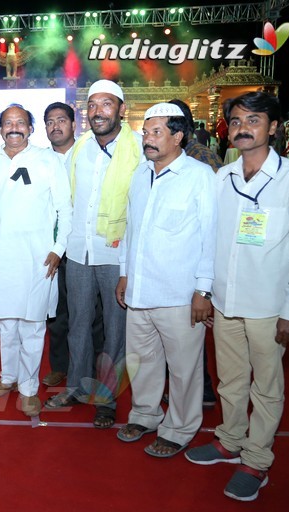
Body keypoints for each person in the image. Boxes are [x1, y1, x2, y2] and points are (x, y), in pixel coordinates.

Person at [185, 91, 289, 501]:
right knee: (230, 380)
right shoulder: (221, 179)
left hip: (270, 306)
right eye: (238, 121)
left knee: (267, 387)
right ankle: (229, 440)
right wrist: (204, 290)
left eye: (254, 121)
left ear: (274, 128)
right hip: (225, 302)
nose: (244, 128)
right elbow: (208, 241)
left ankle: (257, 460)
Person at [114, 102, 217, 458]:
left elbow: (211, 236)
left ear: (178, 136)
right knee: (140, 361)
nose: (148, 139)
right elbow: (131, 230)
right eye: (146, 132)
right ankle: (145, 414)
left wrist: (203, 290)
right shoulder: (141, 175)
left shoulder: (200, 177)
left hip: (180, 293)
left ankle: (180, 427)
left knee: (184, 368)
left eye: (156, 132)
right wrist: (125, 273)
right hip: (140, 290)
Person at [45, 79, 144, 431]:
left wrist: (130, 265)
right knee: (78, 324)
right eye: (92, 104)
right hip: (78, 250)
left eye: (106, 104)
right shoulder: (82, 148)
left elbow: (140, 209)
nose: (98, 111)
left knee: (115, 332)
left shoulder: (138, 151)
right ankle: (75, 386)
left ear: (121, 109)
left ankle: (106, 398)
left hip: (115, 252)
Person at [0, 104, 72, 417]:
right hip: (3, 258)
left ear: (31, 129)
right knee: (6, 323)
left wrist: (58, 249)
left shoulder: (48, 159)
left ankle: (29, 388)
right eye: (8, 123)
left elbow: (64, 208)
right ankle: (9, 378)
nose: (14, 128)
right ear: (0, 128)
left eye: (21, 122)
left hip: (39, 259)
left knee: (32, 325)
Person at [42, 102, 105, 389]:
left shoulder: (89, 154)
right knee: (56, 311)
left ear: (73, 124)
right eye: (50, 122)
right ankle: (60, 366)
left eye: (61, 120)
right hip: (52, 248)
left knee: (90, 312)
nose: (56, 126)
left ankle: (92, 370)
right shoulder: (40, 160)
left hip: (84, 246)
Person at [168, 98, 222, 409]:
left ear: (184, 130)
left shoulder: (203, 161)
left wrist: (207, 283)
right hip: (166, 264)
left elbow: (213, 222)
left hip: (194, 265)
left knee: (190, 336)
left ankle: (200, 391)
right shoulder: (154, 160)